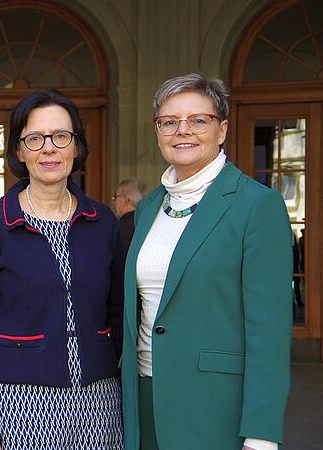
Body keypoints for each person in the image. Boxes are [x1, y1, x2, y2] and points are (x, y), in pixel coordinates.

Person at [120, 73, 292, 450]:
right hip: (144, 396)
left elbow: (269, 332)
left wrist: (262, 434)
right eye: (169, 121)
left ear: (222, 129)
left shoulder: (256, 205)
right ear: (158, 131)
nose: (182, 130)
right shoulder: (149, 208)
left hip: (214, 405)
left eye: (199, 120)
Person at [0, 90, 124, 450]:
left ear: (76, 146)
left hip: (100, 404)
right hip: (19, 406)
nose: (49, 149)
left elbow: (119, 316)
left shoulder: (103, 223)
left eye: (61, 136)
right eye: (35, 138)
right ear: (19, 151)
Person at [113, 177, 147, 253]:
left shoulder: (119, 227)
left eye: (115, 197)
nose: (114, 202)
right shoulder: (147, 222)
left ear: (126, 199)